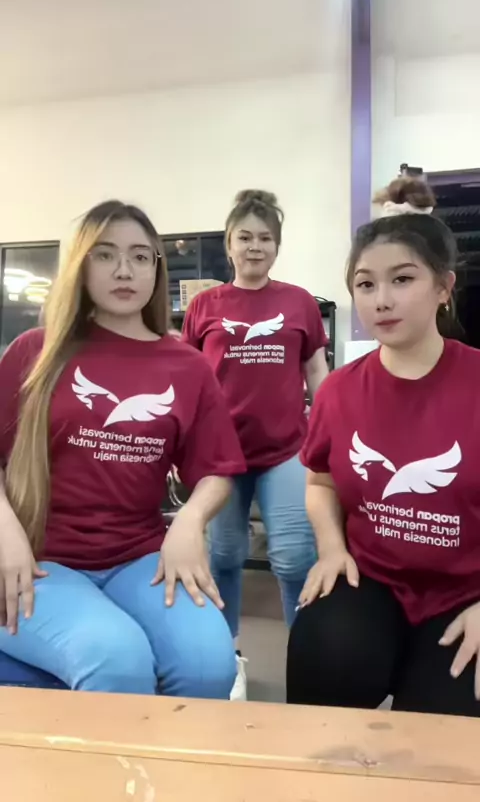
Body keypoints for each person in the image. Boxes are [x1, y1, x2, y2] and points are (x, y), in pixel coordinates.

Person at [0, 200, 246, 698]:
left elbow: (216, 470)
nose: (124, 270)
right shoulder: (35, 351)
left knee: (209, 665)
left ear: (156, 268)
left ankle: (173, 755)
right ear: (81, 264)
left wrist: (191, 521)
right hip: (39, 559)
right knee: (117, 660)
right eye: (106, 254)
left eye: (139, 256)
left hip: (137, 558)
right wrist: (6, 537)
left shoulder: (188, 366)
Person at [287, 176, 480, 717]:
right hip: (371, 579)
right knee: (323, 653)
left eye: (402, 279)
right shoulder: (339, 390)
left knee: (445, 724)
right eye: (366, 284)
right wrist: (331, 548)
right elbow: (321, 481)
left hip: (466, 594)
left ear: (443, 287)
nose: (382, 300)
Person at [183, 189, 329, 699]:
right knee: (223, 555)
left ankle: (306, 657)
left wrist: (329, 428)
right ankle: (228, 658)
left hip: (284, 449)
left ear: (277, 246)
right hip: (220, 453)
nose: (254, 246)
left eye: (264, 238)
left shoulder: (298, 302)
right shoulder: (204, 305)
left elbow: (316, 371)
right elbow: (189, 378)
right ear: (229, 244)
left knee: (293, 557)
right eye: (244, 237)